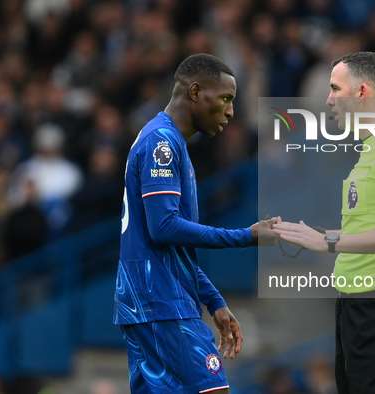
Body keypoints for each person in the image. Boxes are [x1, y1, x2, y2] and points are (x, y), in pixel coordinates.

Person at [114, 54, 278, 394]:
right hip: (162, 301)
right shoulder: (162, 143)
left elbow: (169, 241)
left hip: (149, 301)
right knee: (213, 391)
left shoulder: (169, 142)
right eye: (226, 99)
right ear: (195, 92)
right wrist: (245, 236)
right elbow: (164, 227)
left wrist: (213, 300)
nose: (231, 112)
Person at [273, 51, 375, 394]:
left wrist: (329, 243)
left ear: (361, 92)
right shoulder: (371, 150)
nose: (328, 100)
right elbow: (369, 231)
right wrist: (319, 235)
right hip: (357, 301)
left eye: (334, 89)